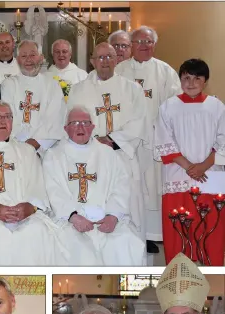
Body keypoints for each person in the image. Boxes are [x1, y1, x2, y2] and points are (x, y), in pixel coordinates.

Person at [0, 100, 64, 265]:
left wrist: (30, 207)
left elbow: (37, 186)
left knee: (37, 231)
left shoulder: (27, 151)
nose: (3, 121)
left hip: (23, 214)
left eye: (8, 117)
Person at [68, 42, 149, 242]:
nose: (105, 62)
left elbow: (140, 120)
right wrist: (93, 142)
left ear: (116, 60)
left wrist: (112, 140)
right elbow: (71, 121)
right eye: (101, 57)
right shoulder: (79, 90)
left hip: (122, 155)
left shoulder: (132, 89)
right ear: (92, 61)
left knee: (128, 206)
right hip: (90, 158)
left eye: (110, 57)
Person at [44, 107, 145, 265]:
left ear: (92, 127)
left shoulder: (108, 154)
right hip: (69, 221)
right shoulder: (54, 156)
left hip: (106, 219)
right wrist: (73, 216)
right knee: (74, 247)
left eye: (85, 123)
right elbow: (53, 190)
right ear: (66, 128)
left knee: (126, 243)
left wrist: (113, 216)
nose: (81, 127)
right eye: (75, 123)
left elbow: (121, 186)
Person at [116, 26, 181, 253]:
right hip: (129, 141)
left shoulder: (165, 72)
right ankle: (133, 232)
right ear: (131, 45)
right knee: (132, 187)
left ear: (154, 44)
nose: (144, 45)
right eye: (139, 41)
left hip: (154, 139)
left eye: (148, 41)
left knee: (153, 188)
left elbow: (174, 106)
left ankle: (153, 235)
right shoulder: (120, 70)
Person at [154, 59, 225, 266]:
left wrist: (203, 166)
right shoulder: (168, 106)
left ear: (205, 81)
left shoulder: (217, 106)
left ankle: (212, 270)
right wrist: (190, 167)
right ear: (180, 79)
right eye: (186, 78)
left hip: (211, 174)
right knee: (179, 226)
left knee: (211, 225)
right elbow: (163, 140)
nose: (191, 82)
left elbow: (223, 139)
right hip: (178, 174)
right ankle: (178, 269)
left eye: (197, 78)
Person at [1, 40, 66, 156]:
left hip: (45, 151)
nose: (28, 59)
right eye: (24, 55)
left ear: (41, 58)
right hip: (16, 149)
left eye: (32, 55)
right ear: (17, 59)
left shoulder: (52, 85)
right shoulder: (8, 84)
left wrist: (37, 143)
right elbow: (7, 118)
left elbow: (55, 119)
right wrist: (23, 145)